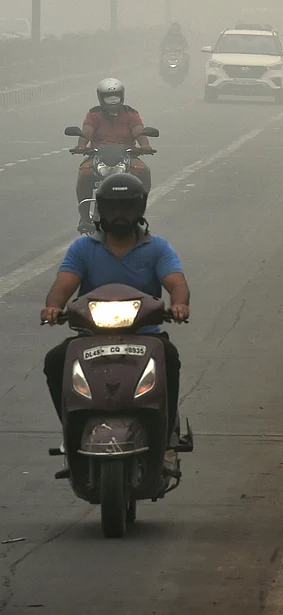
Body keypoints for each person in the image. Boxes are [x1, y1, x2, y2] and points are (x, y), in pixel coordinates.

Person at [41, 173, 190, 444]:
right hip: (91, 335)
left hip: (145, 334)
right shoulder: (83, 248)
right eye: (113, 208)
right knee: (55, 360)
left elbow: (176, 283)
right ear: (102, 210)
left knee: (169, 357)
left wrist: (179, 305)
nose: (120, 215)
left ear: (140, 209)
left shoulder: (157, 247)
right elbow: (62, 288)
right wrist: (53, 307)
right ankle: (72, 431)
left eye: (128, 207)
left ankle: (166, 436)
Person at [73, 78, 155, 233]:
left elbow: (138, 131)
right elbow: (87, 132)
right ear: (100, 97)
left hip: (128, 155)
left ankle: (138, 209)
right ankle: (84, 216)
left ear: (122, 96)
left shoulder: (131, 113)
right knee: (84, 174)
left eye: (115, 97)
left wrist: (145, 146)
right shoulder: (93, 114)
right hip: (97, 156)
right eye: (108, 97)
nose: (112, 101)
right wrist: (81, 146)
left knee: (143, 172)